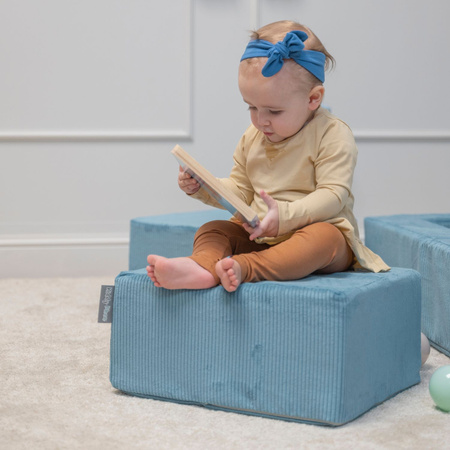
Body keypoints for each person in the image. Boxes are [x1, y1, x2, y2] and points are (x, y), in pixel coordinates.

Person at [147, 20, 389, 292]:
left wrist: (285, 217)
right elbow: (240, 190)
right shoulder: (253, 136)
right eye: (251, 107)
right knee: (213, 229)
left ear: (313, 99)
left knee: (325, 239)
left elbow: (333, 196)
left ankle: (247, 267)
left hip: (318, 235)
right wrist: (204, 186)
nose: (261, 121)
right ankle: (202, 266)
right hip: (262, 235)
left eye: (274, 112)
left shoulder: (332, 134)